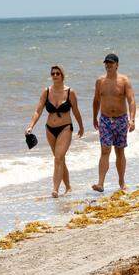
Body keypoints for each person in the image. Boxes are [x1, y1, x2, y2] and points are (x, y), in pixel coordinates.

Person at [26, 65, 84, 198]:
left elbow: (75, 111)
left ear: (62, 75)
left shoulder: (70, 92)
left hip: (65, 128)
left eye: (58, 73)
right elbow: (38, 110)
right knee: (59, 159)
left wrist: (81, 126)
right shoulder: (46, 91)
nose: (55, 76)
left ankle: (55, 189)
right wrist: (31, 126)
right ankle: (68, 187)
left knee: (58, 158)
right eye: (53, 74)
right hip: (50, 129)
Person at [92, 53, 135, 193]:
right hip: (104, 119)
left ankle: (121, 181)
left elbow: (131, 100)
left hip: (121, 119)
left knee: (119, 151)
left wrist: (132, 119)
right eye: (106, 63)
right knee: (105, 150)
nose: (108, 65)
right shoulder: (100, 81)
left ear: (117, 65)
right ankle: (100, 183)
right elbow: (96, 100)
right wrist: (94, 117)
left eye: (111, 63)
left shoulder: (124, 80)